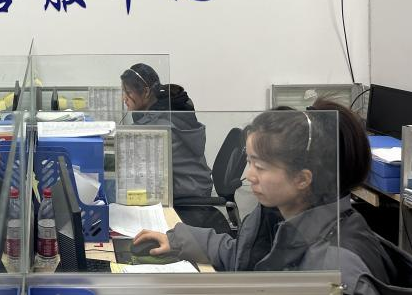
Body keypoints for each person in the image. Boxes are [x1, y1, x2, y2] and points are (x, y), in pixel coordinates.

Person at [133, 100, 393, 294]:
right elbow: (240, 256)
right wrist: (177, 240)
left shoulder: (337, 270)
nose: (248, 175)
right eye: (249, 161)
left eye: (260, 166)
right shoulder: (277, 214)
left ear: (302, 179)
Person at [120, 63, 212, 199]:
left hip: (188, 194)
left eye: (128, 92)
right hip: (191, 186)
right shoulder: (166, 113)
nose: (124, 98)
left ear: (146, 92)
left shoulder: (160, 125)